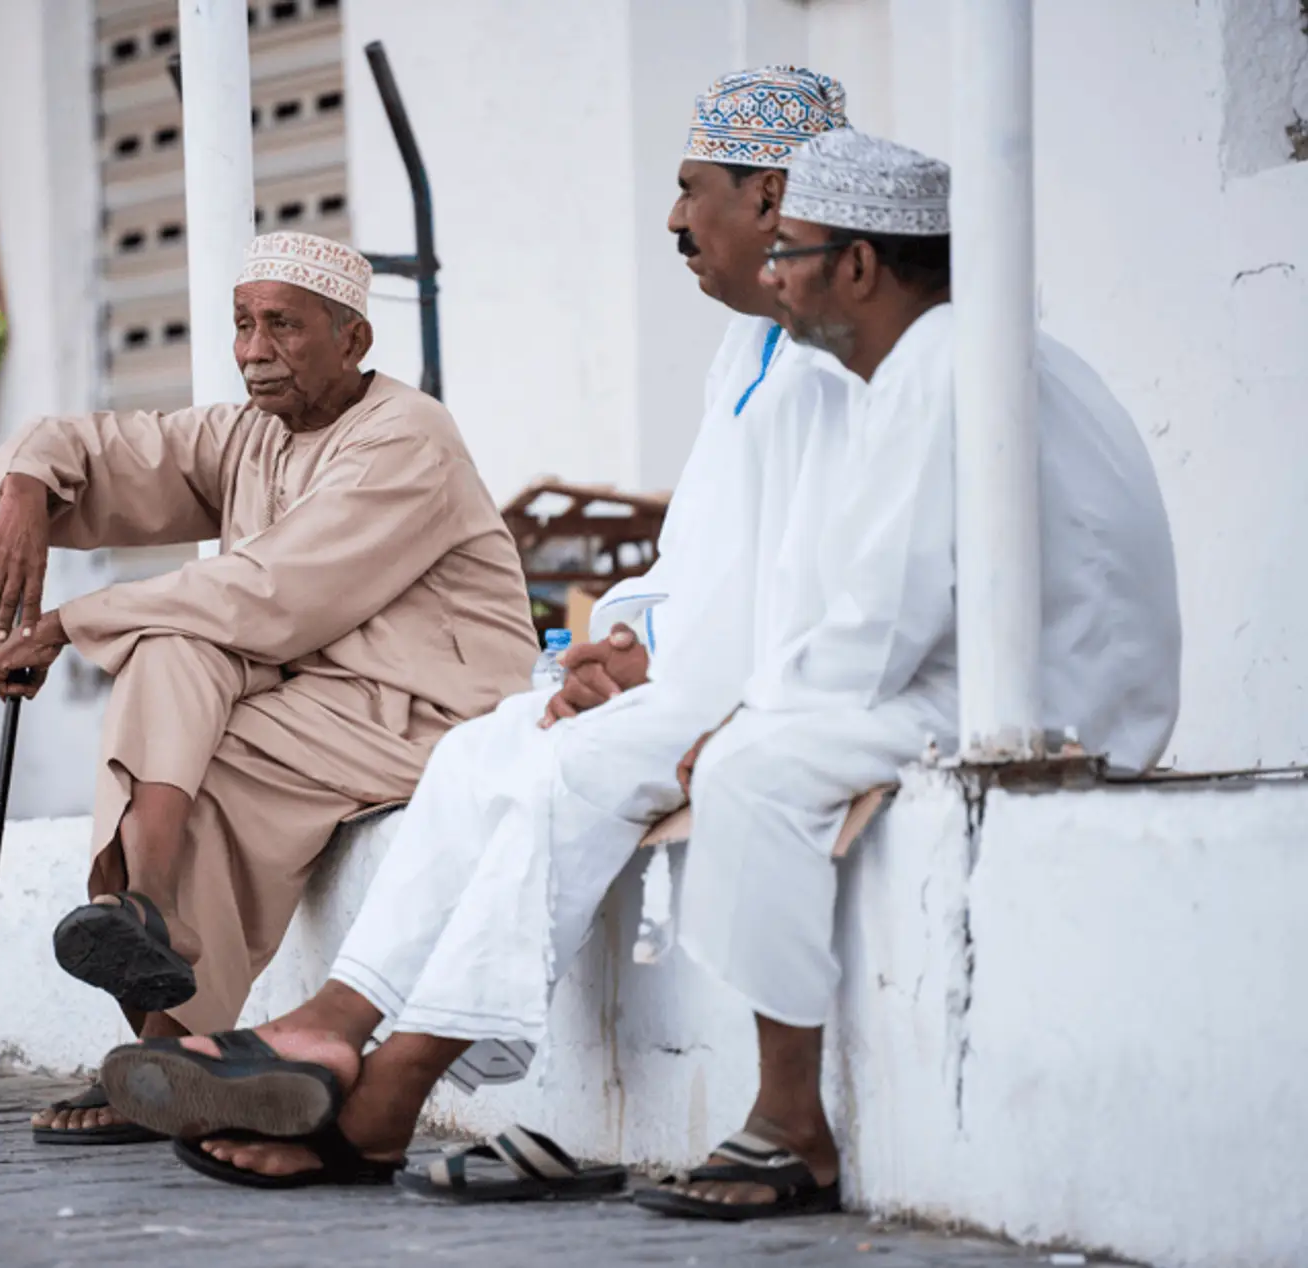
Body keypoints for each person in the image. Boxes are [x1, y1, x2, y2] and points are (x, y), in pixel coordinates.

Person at [92, 67, 858, 1189]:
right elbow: (701, 554)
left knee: (574, 766)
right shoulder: (745, 355)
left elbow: (833, 584)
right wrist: (620, 638)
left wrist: (659, 664)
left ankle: (389, 1084)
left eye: (694, 190)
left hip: (796, 681)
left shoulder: (859, 360)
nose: (673, 219)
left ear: (774, 195)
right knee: (486, 750)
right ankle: (329, 1019)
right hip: (708, 665)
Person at [634, 128, 1180, 1221]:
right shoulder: (937, 359)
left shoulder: (936, 361)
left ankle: (792, 1123)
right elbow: (869, 609)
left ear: (861, 265)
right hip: (1013, 672)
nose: (773, 276)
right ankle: (786, 1111)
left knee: (751, 769)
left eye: (788, 249)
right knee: (750, 740)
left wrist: (745, 721)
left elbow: (881, 623)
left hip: (1049, 696)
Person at [0, 231, 537, 1143]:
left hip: (431, 708)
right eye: (241, 324)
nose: (253, 350)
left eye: (282, 326)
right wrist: (27, 484)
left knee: (206, 714)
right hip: (320, 695)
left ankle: (166, 1039)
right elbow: (117, 453)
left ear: (353, 341)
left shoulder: (406, 435)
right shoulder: (252, 433)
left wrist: (71, 622)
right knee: (174, 654)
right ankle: (148, 911)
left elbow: (278, 590)